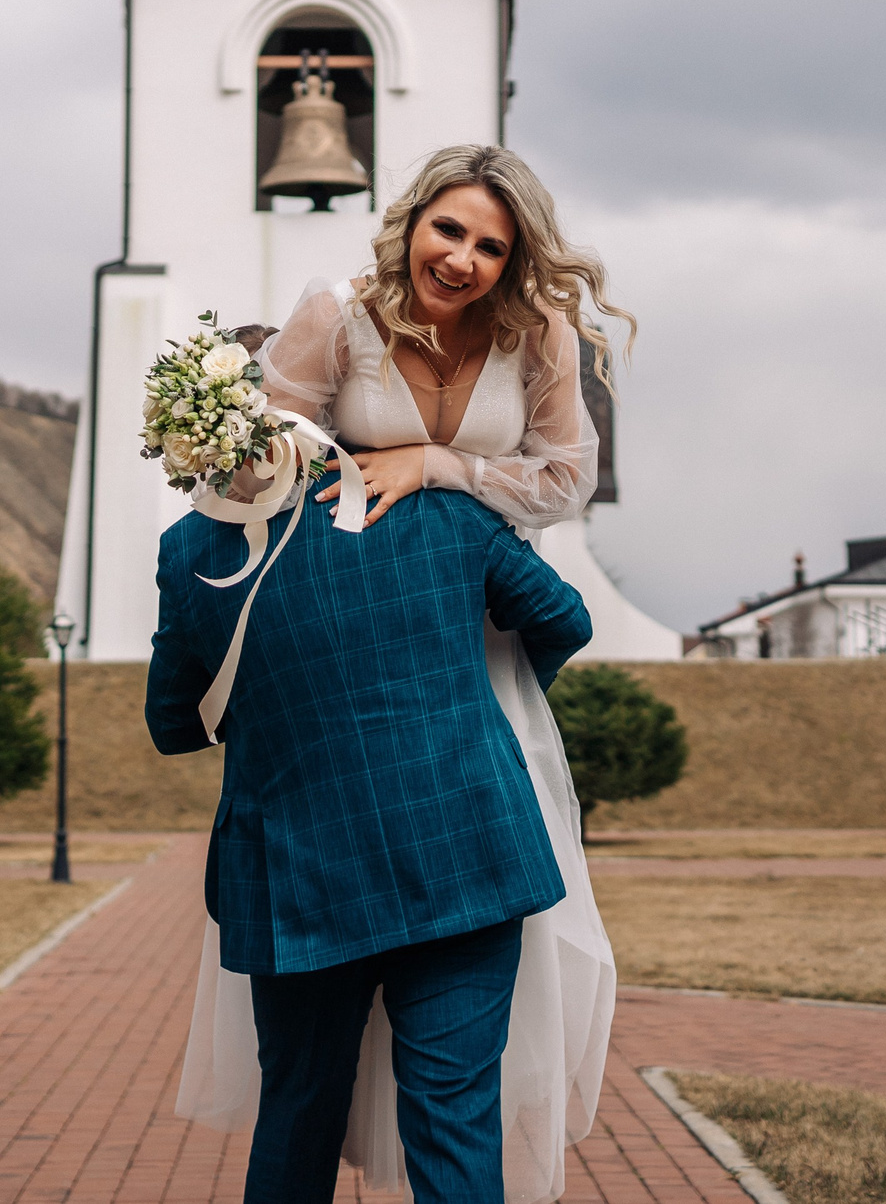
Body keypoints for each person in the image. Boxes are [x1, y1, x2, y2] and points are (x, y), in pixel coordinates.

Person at [174, 144, 633, 1203]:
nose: (463, 257)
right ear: (410, 220)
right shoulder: (337, 312)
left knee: (453, 1011)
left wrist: (437, 466)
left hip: (477, 665)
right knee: (312, 1066)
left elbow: (564, 477)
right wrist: (237, 441)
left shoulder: (539, 337)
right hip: (346, 662)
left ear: (514, 261)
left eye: (490, 244)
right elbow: (259, 468)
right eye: (448, 229)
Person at [148, 468, 592, 1203]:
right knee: (456, 1121)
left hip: (295, 872)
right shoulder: (436, 507)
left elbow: (173, 725)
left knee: (296, 1117)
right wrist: (476, 703)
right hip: (462, 843)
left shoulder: (193, 545)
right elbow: (564, 620)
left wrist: (275, 706)